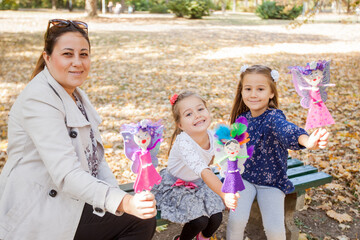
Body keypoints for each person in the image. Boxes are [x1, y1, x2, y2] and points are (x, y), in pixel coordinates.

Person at [0, 19, 156, 240]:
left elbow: (96, 158)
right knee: (138, 222)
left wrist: (119, 199)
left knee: (140, 218)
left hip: (71, 199)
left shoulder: (76, 95)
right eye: (67, 54)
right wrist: (125, 202)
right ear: (47, 57)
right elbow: (66, 174)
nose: (77, 62)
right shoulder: (38, 99)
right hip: (39, 209)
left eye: (83, 54)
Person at [226, 64, 330, 240]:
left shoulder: (274, 118)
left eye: (260, 89)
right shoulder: (241, 119)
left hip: (272, 182)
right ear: (241, 91)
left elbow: (288, 131)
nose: (253, 94)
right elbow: (232, 152)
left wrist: (308, 141)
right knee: (236, 220)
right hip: (246, 178)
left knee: (274, 229)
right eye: (248, 89)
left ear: (271, 92)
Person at [152, 90, 240, 240]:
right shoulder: (183, 142)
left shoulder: (213, 136)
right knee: (200, 220)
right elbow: (203, 170)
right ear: (180, 124)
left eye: (200, 109)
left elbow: (225, 162)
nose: (197, 115)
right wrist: (224, 194)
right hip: (176, 186)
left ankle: (203, 238)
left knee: (216, 217)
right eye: (189, 114)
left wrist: (231, 186)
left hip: (200, 183)